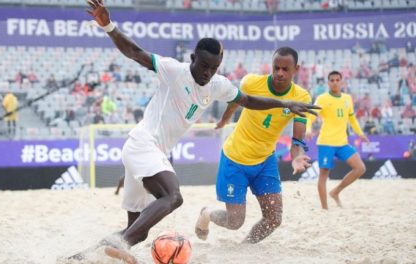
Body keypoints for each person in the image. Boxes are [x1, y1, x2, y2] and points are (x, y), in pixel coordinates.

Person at [78, 1, 319, 263]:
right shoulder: (174, 70)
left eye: (212, 68)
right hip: (143, 145)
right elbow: (136, 52)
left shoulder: (217, 85)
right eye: (203, 65)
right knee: (173, 197)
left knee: (138, 232)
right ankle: (122, 244)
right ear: (193, 58)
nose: (206, 72)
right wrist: (108, 26)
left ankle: (83, 256)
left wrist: (285, 104)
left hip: (149, 152)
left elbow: (248, 101)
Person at [194, 47, 315, 244]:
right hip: (235, 158)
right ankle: (206, 213)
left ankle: (246, 247)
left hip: (265, 161)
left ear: (296, 69)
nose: (279, 73)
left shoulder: (301, 98)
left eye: (285, 69)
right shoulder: (251, 82)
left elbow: (298, 140)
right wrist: (225, 120)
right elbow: (234, 102)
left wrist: (297, 156)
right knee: (234, 222)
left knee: (274, 219)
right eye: (276, 68)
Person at [306, 71, 369, 210]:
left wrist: (360, 133)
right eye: (332, 80)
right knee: (323, 176)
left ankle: (335, 192)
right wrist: (308, 128)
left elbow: (352, 118)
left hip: (342, 143)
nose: (335, 82)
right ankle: (325, 209)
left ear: (341, 82)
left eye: (337, 80)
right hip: (326, 142)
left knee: (360, 168)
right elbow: (311, 115)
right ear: (328, 83)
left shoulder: (347, 98)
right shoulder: (322, 98)